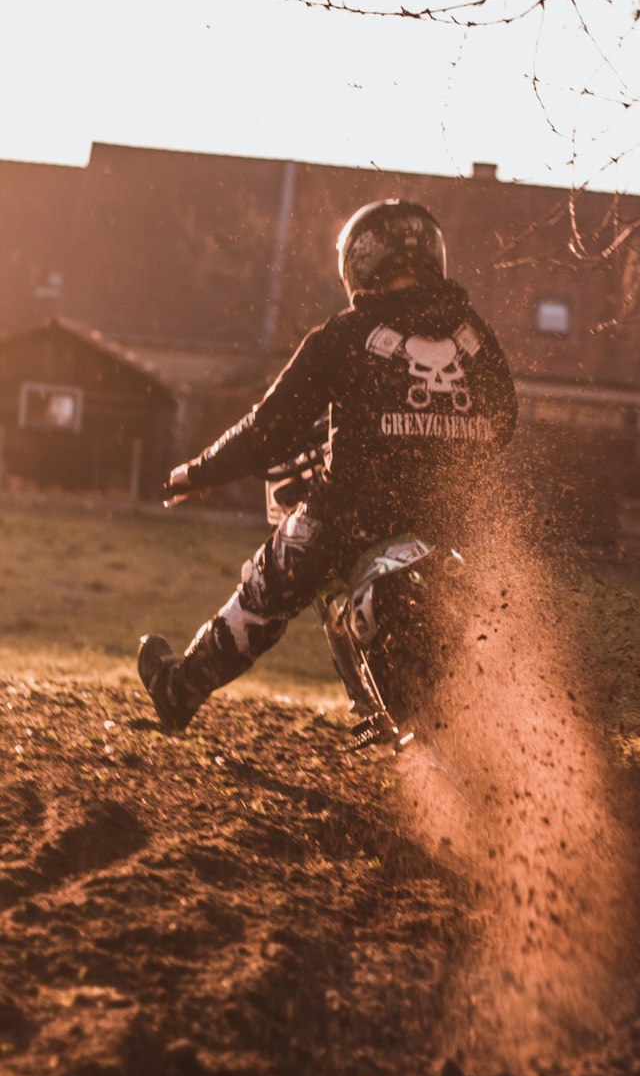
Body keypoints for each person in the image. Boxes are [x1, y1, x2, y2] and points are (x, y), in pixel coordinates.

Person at [138, 199, 518, 732]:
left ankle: (178, 691)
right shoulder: (477, 336)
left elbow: (267, 432)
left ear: (360, 266)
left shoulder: (346, 334)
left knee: (264, 592)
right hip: (452, 521)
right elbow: (504, 423)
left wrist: (198, 472)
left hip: (351, 516)